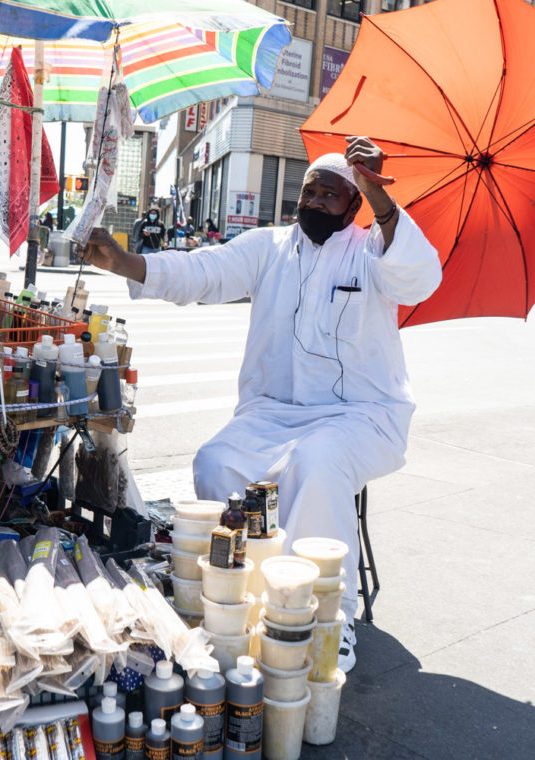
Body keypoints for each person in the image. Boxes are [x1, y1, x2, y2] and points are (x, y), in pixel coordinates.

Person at [80, 136, 442, 674]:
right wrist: (128, 263)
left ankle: (325, 617)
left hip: (360, 415)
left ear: (355, 204)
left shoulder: (375, 251)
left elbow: (421, 279)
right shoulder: (268, 247)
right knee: (214, 461)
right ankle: (247, 586)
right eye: (309, 192)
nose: (315, 201)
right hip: (272, 412)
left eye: (332, 194)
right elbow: (203, 271)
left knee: (317, 465)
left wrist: (383, 201)